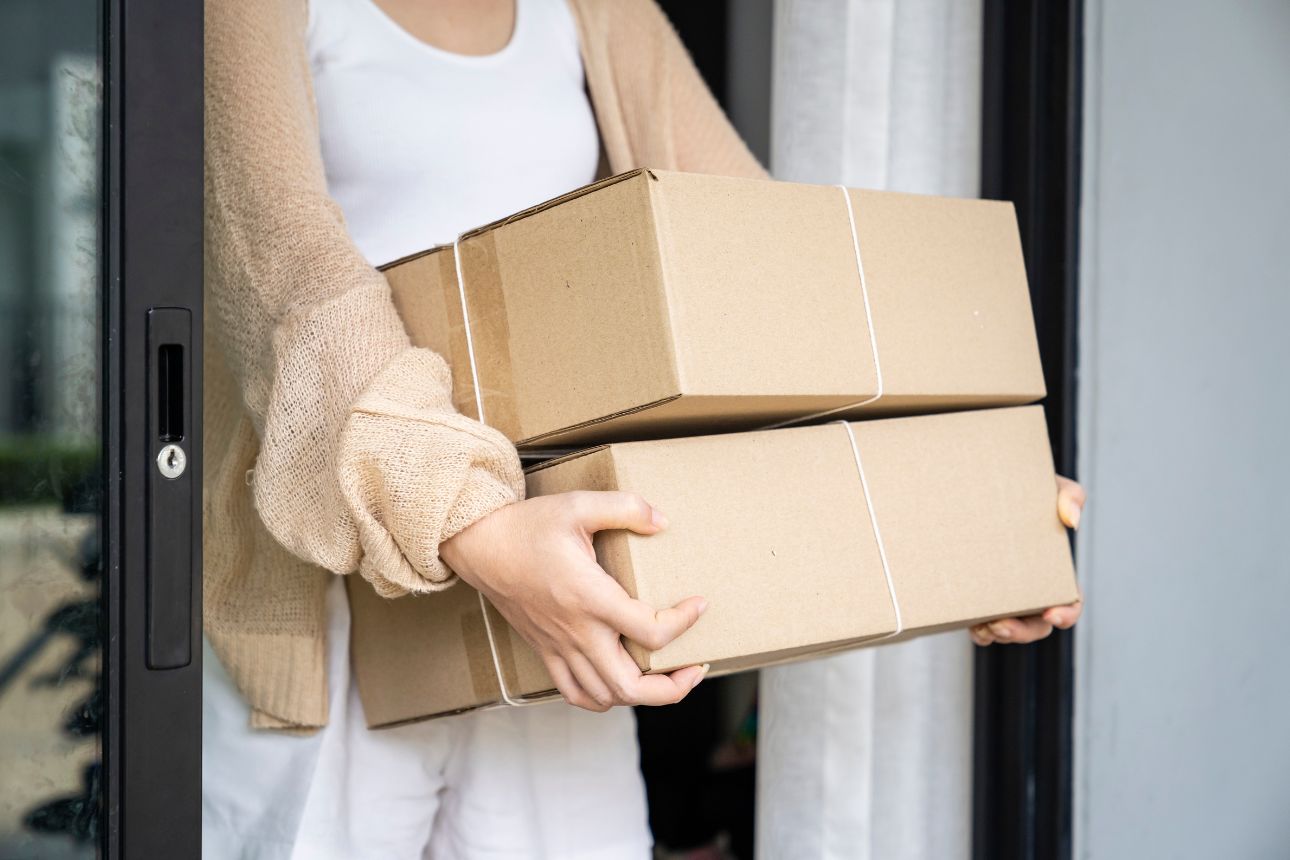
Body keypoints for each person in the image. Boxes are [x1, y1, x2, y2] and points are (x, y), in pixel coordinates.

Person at [200, 0, 1086, 857]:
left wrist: (966, 496)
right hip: (344, 592)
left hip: (562, 589)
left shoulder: (596, 9)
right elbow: (286, 270)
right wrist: (474, 522)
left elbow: (756, 251)